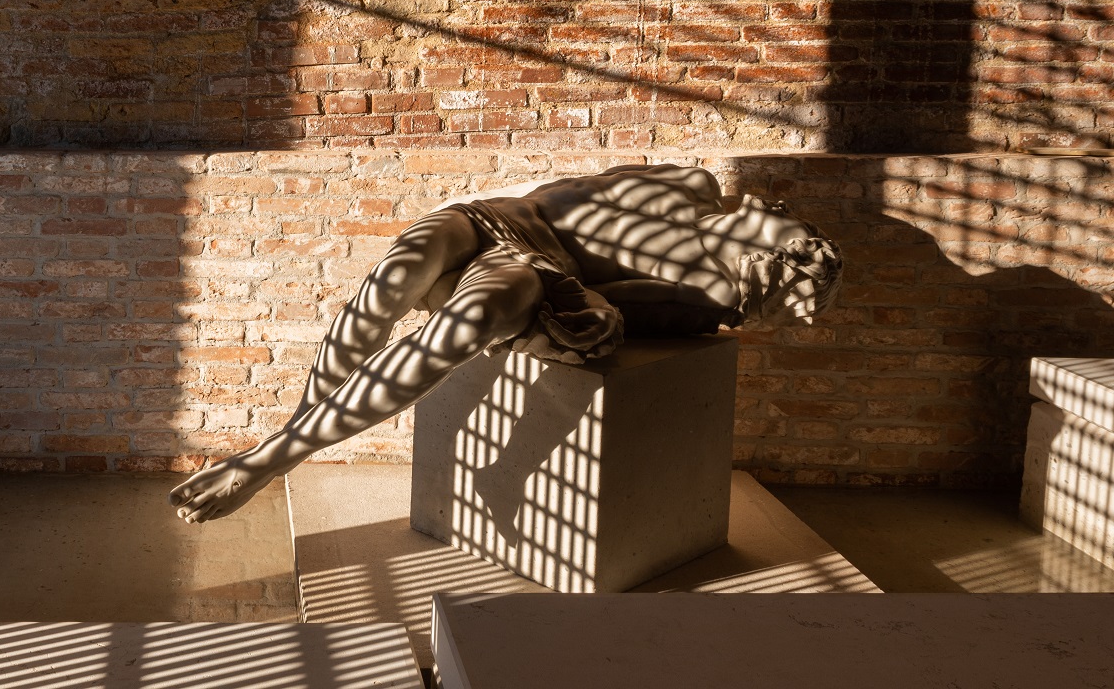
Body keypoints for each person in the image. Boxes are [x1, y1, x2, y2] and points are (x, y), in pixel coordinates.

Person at [168, 164, 843, 524]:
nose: (789, 260)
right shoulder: (689, 183)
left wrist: (714, 296)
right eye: (803, 250)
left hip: (536, 273)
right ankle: (285, 441)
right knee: (391, 281)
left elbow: (619, 312)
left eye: (792, 275)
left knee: (471, 320)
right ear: (772, 219)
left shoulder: (706, 292)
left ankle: (266, 463)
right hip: (490, 220)